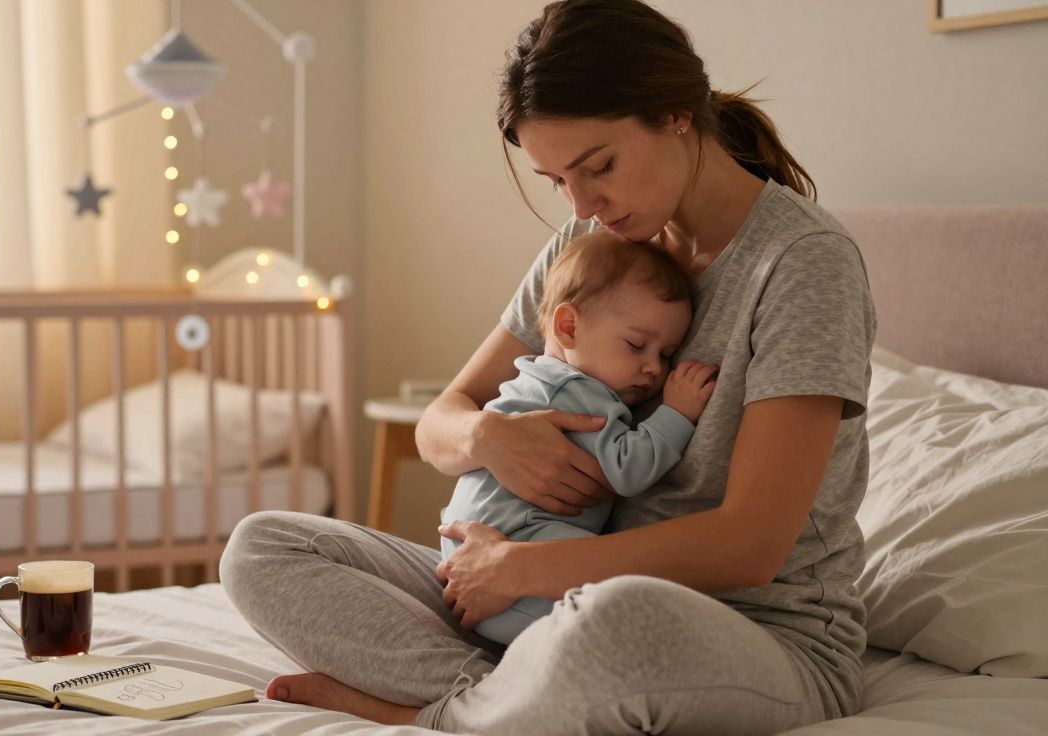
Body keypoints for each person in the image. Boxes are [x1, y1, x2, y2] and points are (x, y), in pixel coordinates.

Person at [219, 0, 876, 732]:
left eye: (599, 167)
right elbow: (442, 420)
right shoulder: (595, 243)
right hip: (547, 597)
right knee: (263, 547)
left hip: (745, 633)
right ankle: (495, 693)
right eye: (556, 179)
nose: (583, 202)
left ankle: (435, 711)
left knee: (617, 620)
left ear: (675, 114)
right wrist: (488, 440)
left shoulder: (803, 264)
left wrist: (520, 572)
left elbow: (750, 546)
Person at [440, 233, 717, 645]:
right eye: (636, 345)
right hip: (516, 561)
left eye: (665, 354)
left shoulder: (533, 381)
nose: (654, 369)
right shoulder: (576, 393)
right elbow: (626, 470)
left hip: (473, 568)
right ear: (568, 327)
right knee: (634, 604)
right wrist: (677, 414)